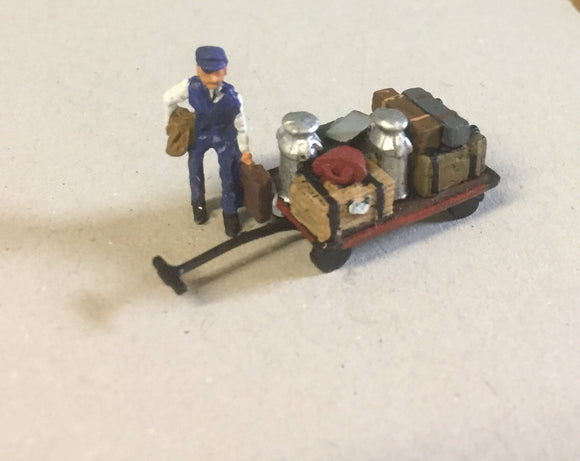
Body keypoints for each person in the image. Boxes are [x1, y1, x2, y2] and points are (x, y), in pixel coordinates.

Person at [163, 46, 250, 237]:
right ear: (198, 70)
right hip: (200, 133)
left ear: (225, 70)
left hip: (225, 137)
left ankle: (230, 214)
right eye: (206, 73)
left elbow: (241, 124)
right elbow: (168, 98)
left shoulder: (233, 97)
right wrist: (169, 120)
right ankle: (198, 205)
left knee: (228, 175)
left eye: (217, 73)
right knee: (194, 169)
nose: (212, 79)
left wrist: (245, 150)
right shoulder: (190, 87)